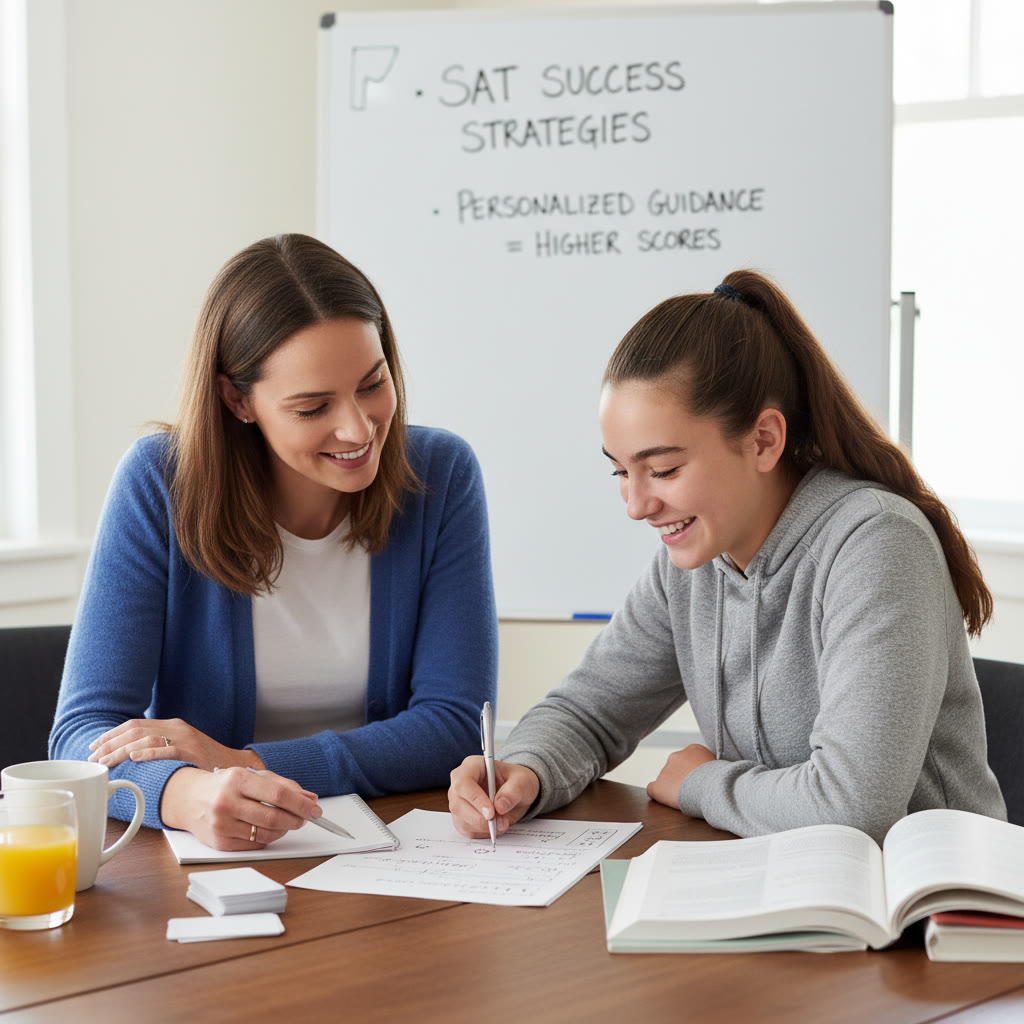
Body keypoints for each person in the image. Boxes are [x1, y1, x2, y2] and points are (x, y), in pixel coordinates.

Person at [449, 269, 1005, 846]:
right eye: (620, 470)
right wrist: (526, 770)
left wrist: (702, 782)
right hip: (786, 887)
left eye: (662, 470)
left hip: (926, 911)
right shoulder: (692, 566)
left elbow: (852, 806)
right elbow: (591, 712)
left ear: (764, 439)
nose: (637, 505)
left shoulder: (876, 544)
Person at [51, 233, 497, 851]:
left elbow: (454, 727)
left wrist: (248, 762)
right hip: (213, 861)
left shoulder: (440, 474)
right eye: (313, 407)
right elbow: (80, 735)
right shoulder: (160, 482)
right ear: (238, 400)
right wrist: (185, 793)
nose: (358, 427)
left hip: (391, 853)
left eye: (373, 384)